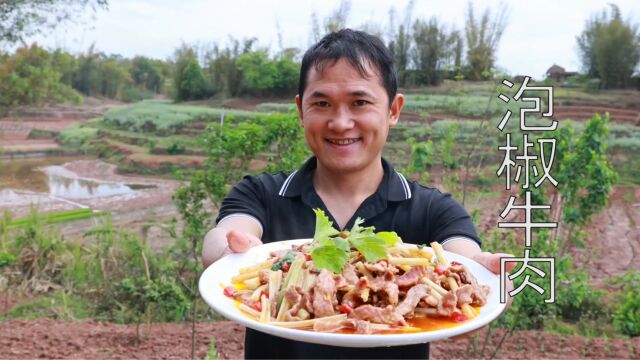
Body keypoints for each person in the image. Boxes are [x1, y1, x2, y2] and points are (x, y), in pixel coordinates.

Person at [202, 28, 513, 359]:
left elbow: (462, 254)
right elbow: (225, 235)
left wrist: (480, 270)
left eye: (359, 102)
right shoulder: (261, 193)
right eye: (322, 103)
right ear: (300, 110)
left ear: (393, 110)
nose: (340, 122)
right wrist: (229, 251)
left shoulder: (434, 209)